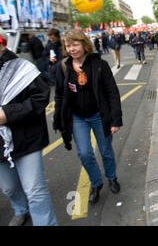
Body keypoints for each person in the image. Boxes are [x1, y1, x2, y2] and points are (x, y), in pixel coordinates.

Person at [53, 29, 123, 204]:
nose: (72, 49)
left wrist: (115, 119)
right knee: (84, 153)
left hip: (99, 115)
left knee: (106, 150)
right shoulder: (63, 67)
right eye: (68, 46)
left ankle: (112, 177)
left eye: (75, 44)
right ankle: (96, 183)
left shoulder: (99, 64)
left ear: (84, 44)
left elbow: (112, 93)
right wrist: (58, 120)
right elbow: (60, 96)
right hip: (77, 118)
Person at [0, 32, 58, 226]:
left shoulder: (23, 68)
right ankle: (20, 210)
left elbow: (40, 99)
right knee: (9, 188)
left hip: (27, 139)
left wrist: (7, 114)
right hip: (0, 146)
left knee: (35, 190)